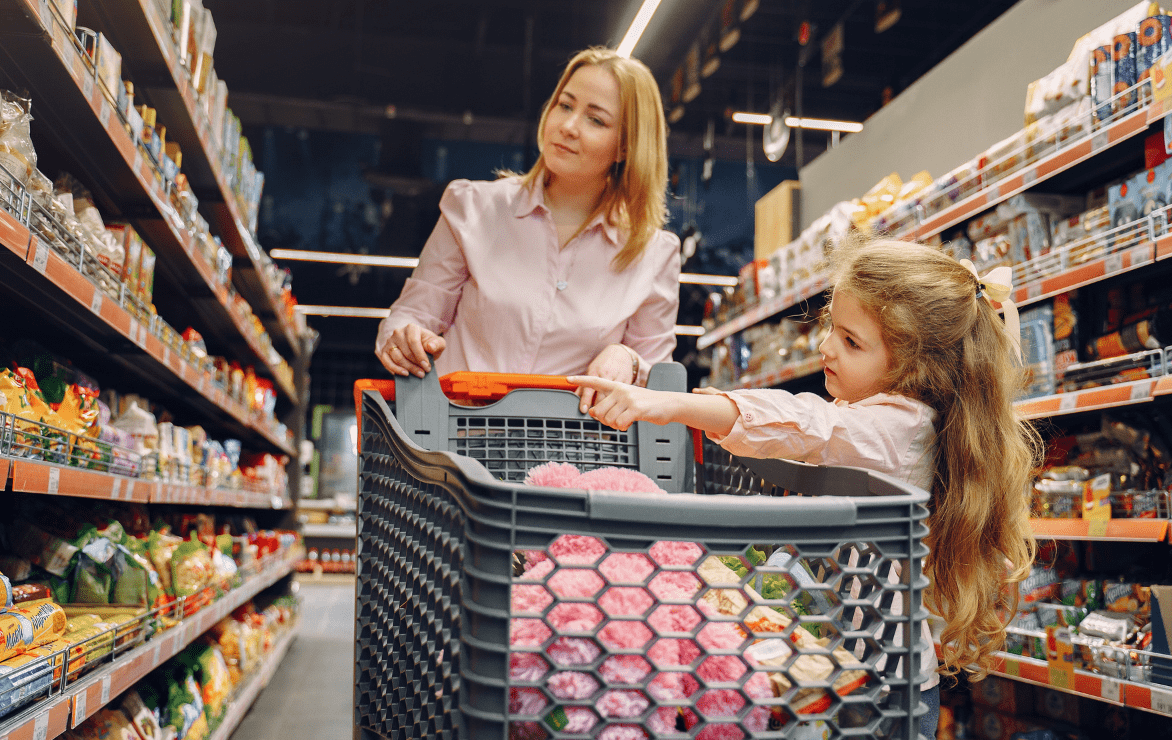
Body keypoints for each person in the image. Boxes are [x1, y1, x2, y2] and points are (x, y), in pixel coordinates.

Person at [569, 238, 1042, 739]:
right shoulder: (880, 414)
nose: (825, 348)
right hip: (842, 668)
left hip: (877, 693)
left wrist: (666, 405)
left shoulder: (900, 430)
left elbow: (802, 422)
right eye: (830, 328)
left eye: (851, 342)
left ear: (916, 367)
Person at [376, 47, 680, 412]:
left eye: (595, 120)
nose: (568, 126)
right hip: (453, 445)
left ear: (626, 147)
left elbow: (659, 385)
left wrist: (628, 360)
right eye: (564, 106)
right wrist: (403, 338)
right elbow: (411, 316)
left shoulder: (653, 253)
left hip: (573, 458)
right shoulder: (473, 208)